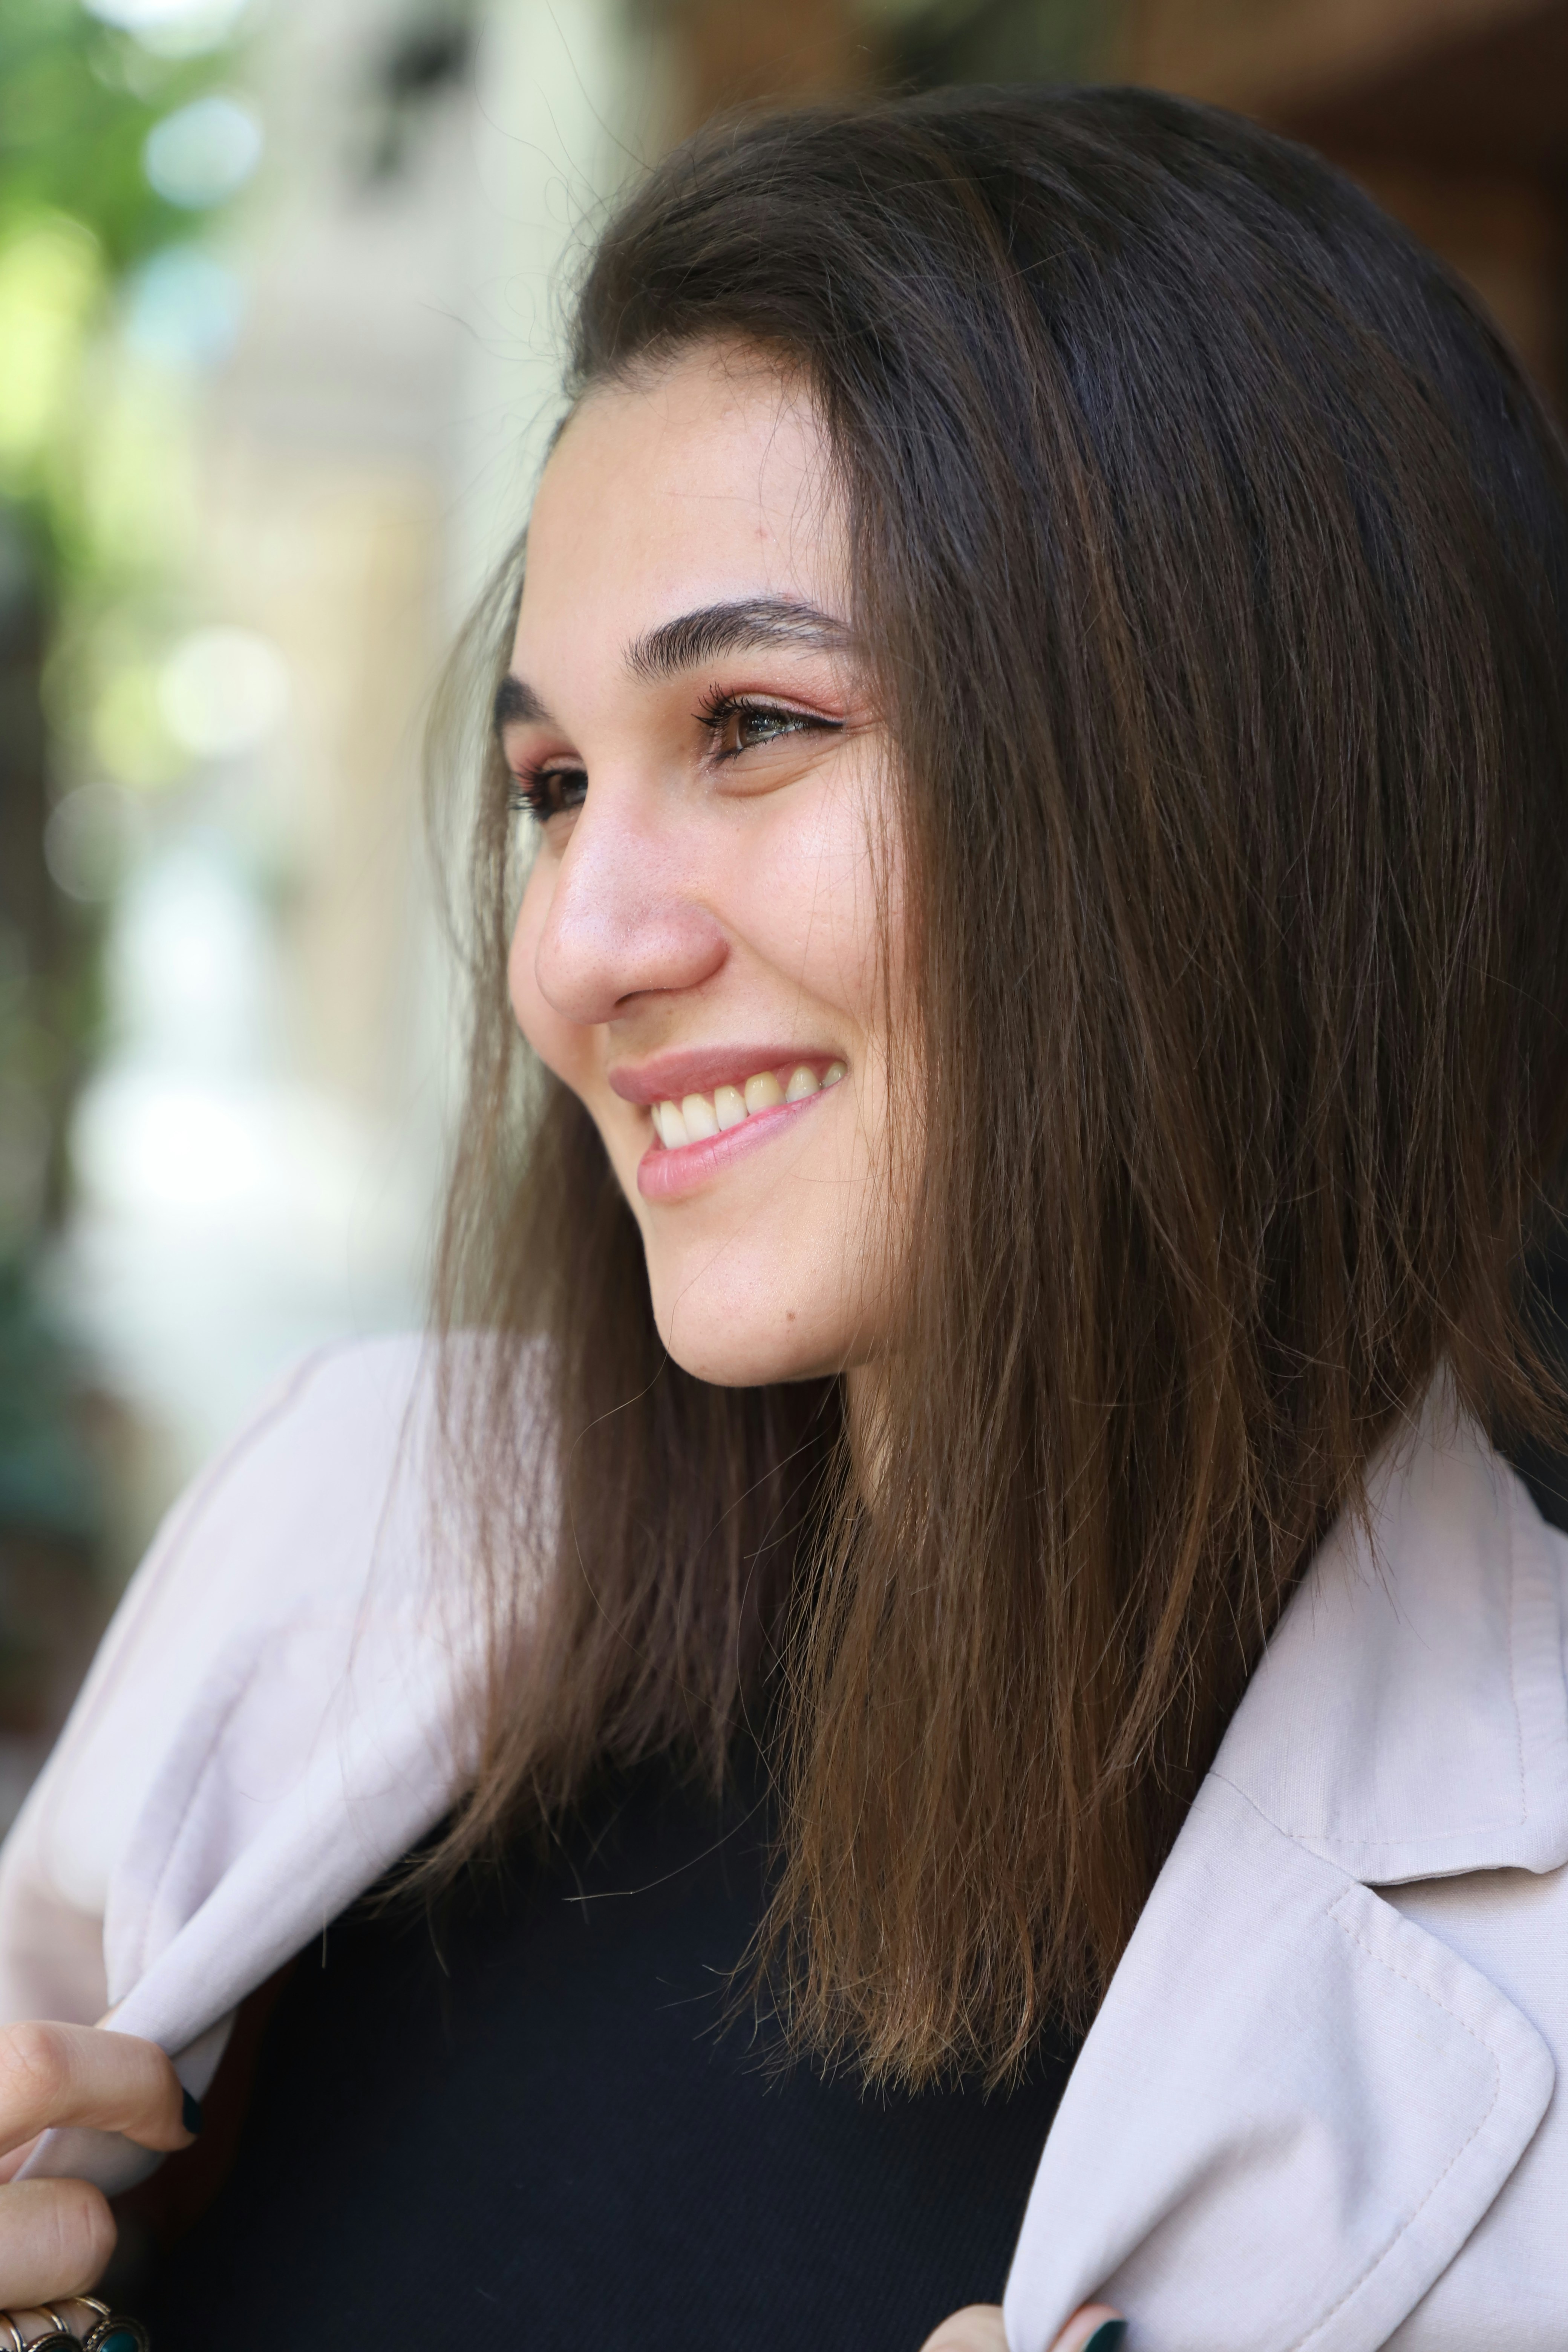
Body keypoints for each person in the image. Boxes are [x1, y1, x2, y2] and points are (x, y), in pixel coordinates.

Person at [0, 81, 1565, 2351]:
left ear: (1240, 786)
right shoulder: (339, 1524)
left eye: (751, 723)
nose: (571, 953)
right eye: (551, 786)